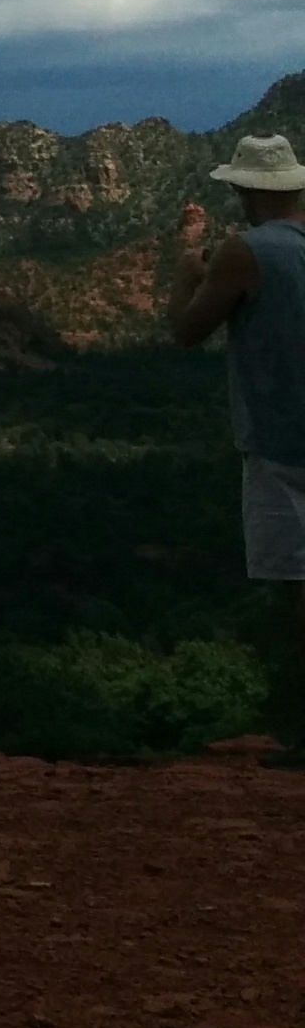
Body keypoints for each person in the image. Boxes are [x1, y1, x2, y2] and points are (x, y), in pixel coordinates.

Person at [168, 130, 305, 742]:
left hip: (280, 446)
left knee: (297, 595)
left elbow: (186, 331)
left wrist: (184, 269)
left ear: (245, 189)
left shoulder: (242, 252)